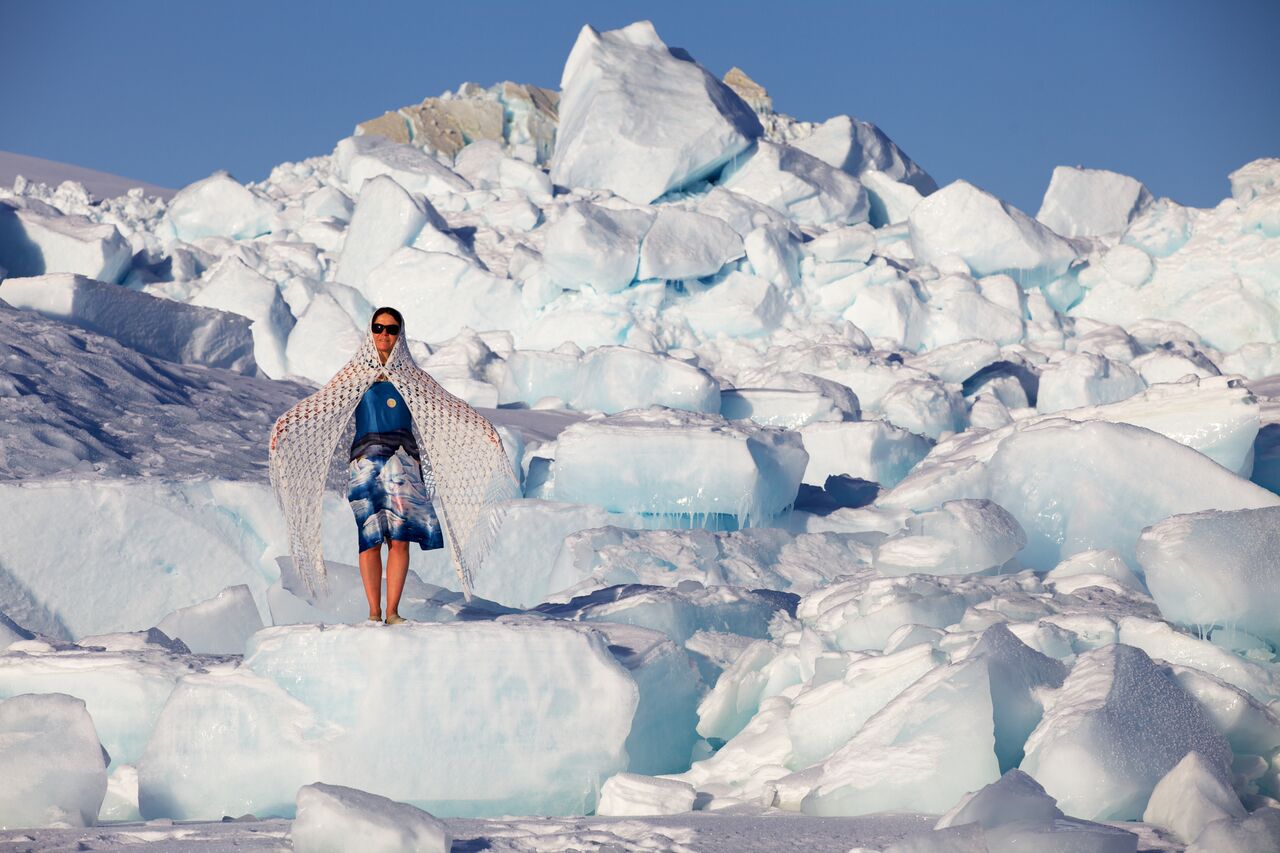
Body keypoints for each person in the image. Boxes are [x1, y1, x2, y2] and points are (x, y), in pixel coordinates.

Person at [268, 306, 518, 621]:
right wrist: (285, 427)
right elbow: (321, 405)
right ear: (370, 331)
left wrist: (484, 431)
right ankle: (374, 613)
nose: (384, 335)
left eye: (391, 329)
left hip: (404, 464)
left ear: (400, 334)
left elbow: (449, 407)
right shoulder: (355, 374)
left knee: (400, 540)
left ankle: (393, 612)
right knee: (370, 539)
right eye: (378, 328)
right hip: (366, 465)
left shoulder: (413, 377)